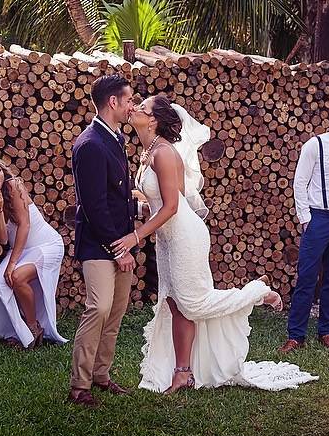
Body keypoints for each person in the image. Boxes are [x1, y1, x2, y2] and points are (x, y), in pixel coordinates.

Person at [113, 95, 317, 393]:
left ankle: (258, 292)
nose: (133, 108)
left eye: (141, 108)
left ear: (154, 120)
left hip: (185, 236)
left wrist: (135, 235)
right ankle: (183, 373)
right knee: (173, 302)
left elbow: (172, 207)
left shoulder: (165, 153)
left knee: (194, 302)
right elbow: (169, 200)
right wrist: (140, 209)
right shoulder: (148, 152)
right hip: (167, 238)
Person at [67, 74, 137, 408]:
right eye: (128, 100)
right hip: (99, 244)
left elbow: (117, 196)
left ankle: (101, 375)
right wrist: (119, 247)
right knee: (99, 308)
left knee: (116, 312)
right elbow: (93, 205)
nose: (131, 106)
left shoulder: (115, 138)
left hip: (121, 240)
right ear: (114, 102)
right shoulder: (91, 144)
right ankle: (79, 385)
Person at [278, 99, 329, 353]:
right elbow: (299, 182)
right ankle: (296, 335)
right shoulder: (316, 145)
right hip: (318, 218)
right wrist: (306, 218)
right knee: (307, 277)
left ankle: (326, 331)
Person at [0, 155, 68, 349]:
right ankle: (14, 332)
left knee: (16, 277)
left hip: (46, 245)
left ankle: (33, 327)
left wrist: (12, 263)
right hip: (20, 249)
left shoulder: (13, 186)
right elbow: (2, 238)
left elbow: (24, 224)